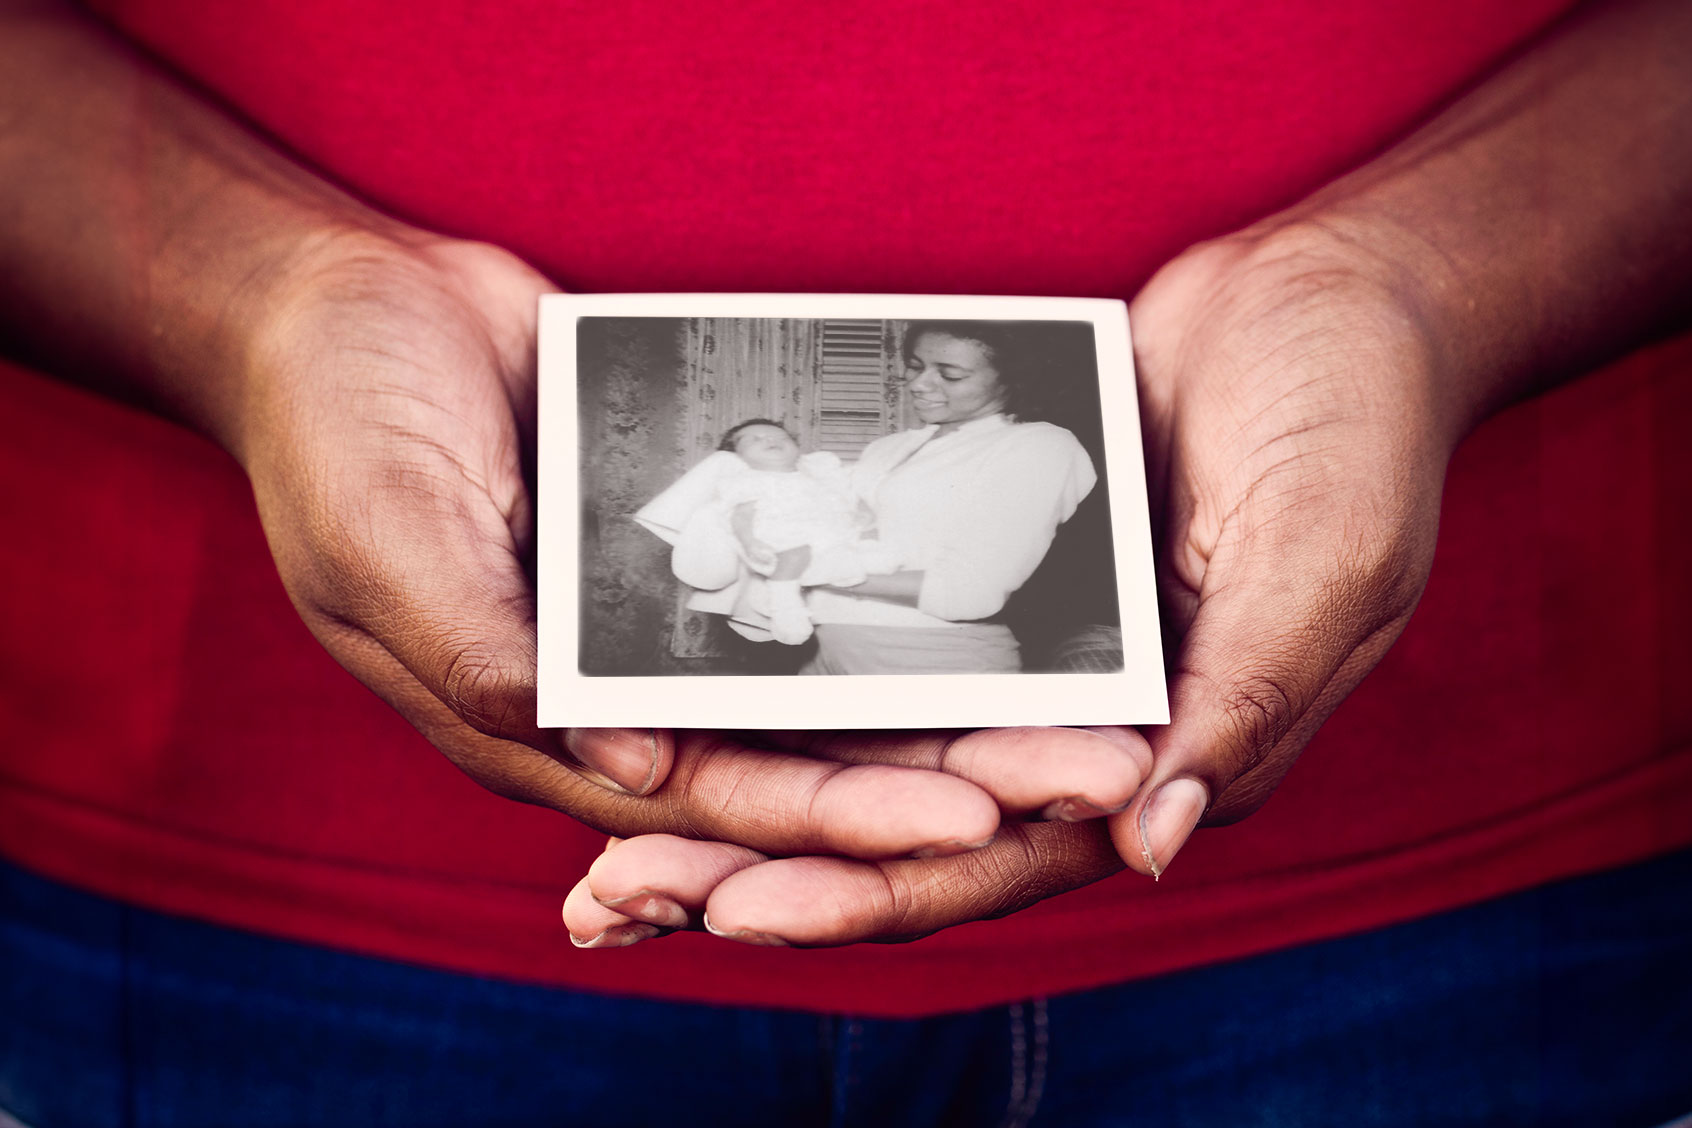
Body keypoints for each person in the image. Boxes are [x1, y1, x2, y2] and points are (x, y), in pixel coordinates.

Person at [2, 0, 1690, 1124]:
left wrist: (1421, 278)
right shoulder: (823, 474)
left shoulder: (956, 461)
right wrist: (251, 294)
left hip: (1472, 869)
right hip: (244, 874)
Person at [800, 321, 1099, 674]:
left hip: (932, 657)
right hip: (825, 649)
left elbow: (969, 592)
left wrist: (805, 571)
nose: (919, 384)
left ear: (1012, 378)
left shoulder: (1039, 446)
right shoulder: (888, 447)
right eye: (915, 365)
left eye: (950, 375)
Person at [637, 417, 897, 645]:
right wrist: (749, 541)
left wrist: (863, 514)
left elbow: (847, 495)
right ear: (737, 457)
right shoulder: (747, 481)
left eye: (779, 436)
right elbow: (741, 516)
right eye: (755, 439)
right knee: (797, 555)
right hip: (781, 536)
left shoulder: (821, 473)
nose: (770, 440)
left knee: (864, 547)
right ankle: (785, 605)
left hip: (828, 531)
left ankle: (858, 563)